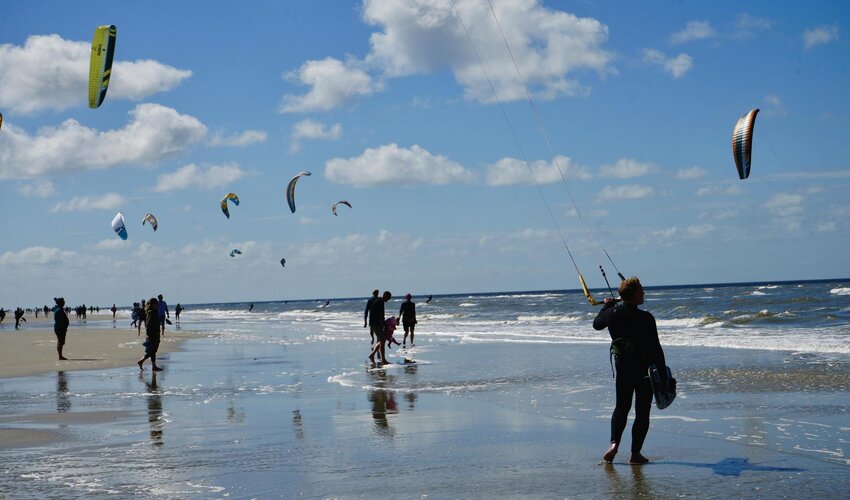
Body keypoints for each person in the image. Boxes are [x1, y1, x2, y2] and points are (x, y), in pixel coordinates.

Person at [593, 277, 667, 465]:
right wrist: (664, 376)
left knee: (621, 407)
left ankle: (613, 445)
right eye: (641, 290)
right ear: (633, 295)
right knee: (642, 412)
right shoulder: (646, 318)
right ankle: (635, 454)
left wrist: (606, 306)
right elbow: (656, 350)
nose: (644, 292)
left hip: (623, 370)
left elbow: (597, 324)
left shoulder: (612, 314)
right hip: (644, 372)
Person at [138, 297, 163, 371]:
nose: (158, 305)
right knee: (152, 351)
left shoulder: (154, 311)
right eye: (156, 304)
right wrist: (150, 335)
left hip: (156, 334)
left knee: (152, 351)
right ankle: (153, 366)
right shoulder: (150, 312)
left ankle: (141, 362)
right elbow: (148, 325)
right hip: (152, 335)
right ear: (152, 304)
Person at [368, 291, 392, 364]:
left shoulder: (379, 301)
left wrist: (383, 322)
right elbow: (378, 314)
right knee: (382, 339)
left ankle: (372, 355)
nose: (387, 300)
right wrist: (382, 322)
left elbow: (379, 314)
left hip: (375, 323)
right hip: (375, 323)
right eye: (387, 298)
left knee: (382, 339)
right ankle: (383, 359)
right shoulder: (380, 302)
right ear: (384, 295)